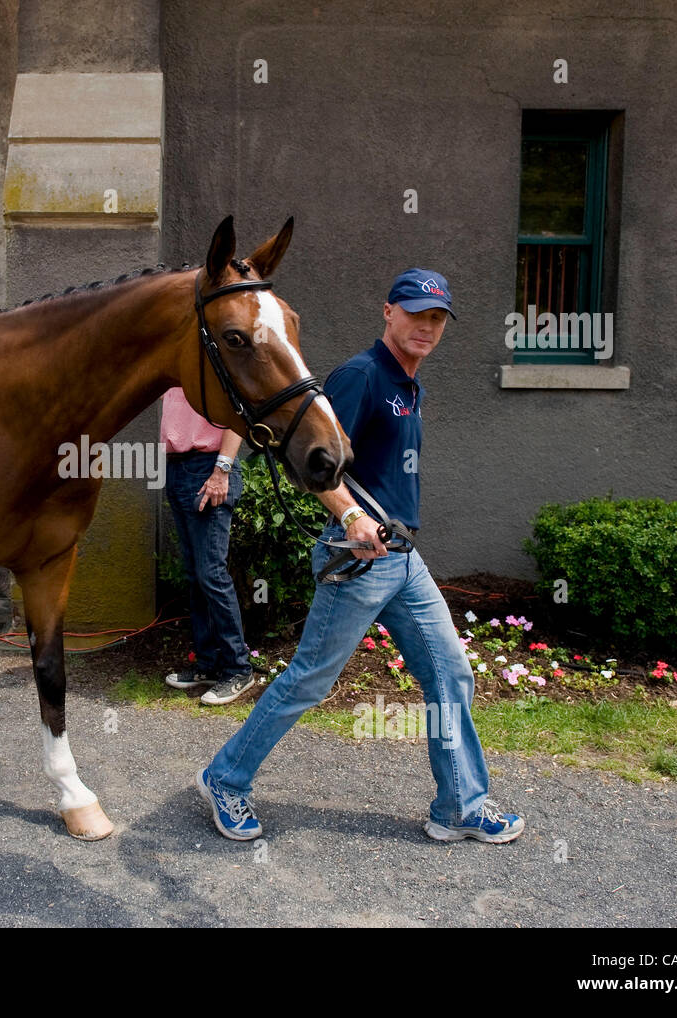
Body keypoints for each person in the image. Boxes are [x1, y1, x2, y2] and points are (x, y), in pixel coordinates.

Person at [196, 269, 525, 844]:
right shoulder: (362, 375)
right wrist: (351, 515)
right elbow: (312, 460)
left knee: (450, 673)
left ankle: (459, 806)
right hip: (359, 556)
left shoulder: (407, 383)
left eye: (437, 318)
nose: (426, 325)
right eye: (415, 312)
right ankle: (225, 778)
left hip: (402, 557)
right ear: (387, 312)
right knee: (309, 681)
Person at [161, 386, 255, 706]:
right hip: (177, 468)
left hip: (209, 468)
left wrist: (222, 470)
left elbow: (238, 413)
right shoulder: (177, 361)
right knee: (196, 576)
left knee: (211, 574)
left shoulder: (215, 356)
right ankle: (209, 664)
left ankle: (238, 669)